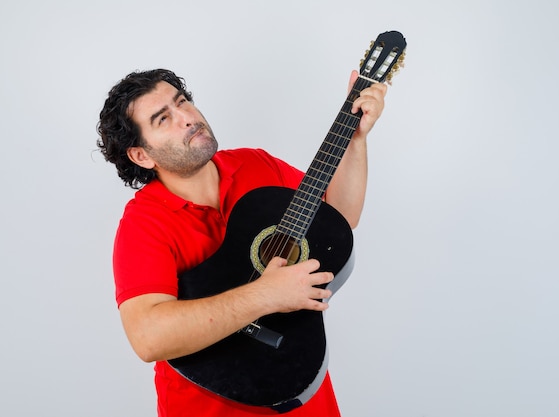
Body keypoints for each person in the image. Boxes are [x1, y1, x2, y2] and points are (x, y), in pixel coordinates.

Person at [97, 68, 387, 416]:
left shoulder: (254, 164)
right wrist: (265, 295)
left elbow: (338, 219)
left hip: (305, 396)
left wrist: (355, 139)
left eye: (182, 101)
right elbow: (148, 337)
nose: (187, 118)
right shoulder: (143, 224)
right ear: (142, 155)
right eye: (163, 119)